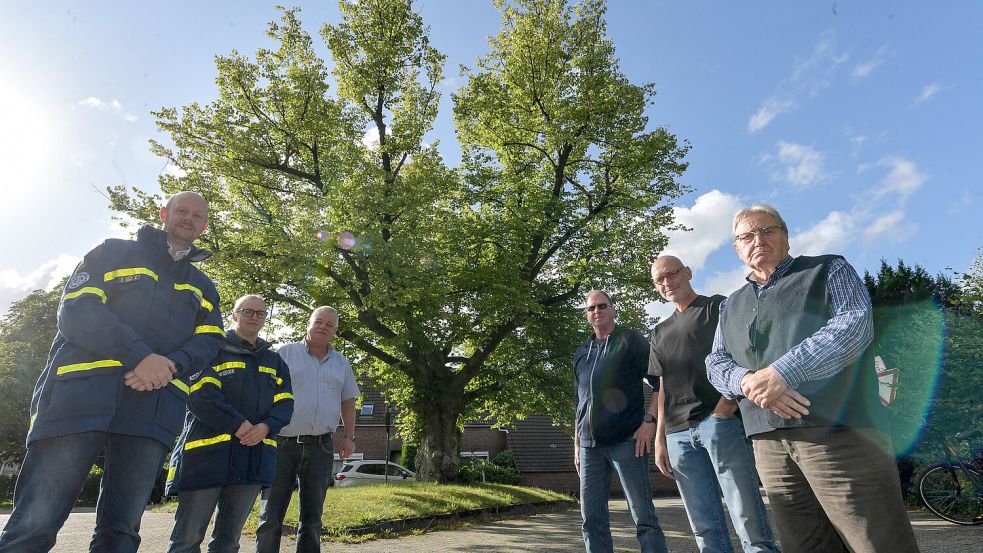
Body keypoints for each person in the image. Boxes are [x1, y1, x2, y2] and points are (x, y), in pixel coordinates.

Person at [0, 191, 225, 553]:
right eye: (181, 210)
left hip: (151, 409)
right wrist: (139, 357)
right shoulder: (112, 252)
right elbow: (77, 309)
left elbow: (210, 340)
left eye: (198, 215)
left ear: (205, 226)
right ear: (164, 213)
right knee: (34, 524)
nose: (189, 218)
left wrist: (170, 366)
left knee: (121, 532)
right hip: (79, 398)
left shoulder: (204, 287)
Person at [706, 204, 919, 553]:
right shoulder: (730, 304)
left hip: (839, 432)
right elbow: (715, 361)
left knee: (876, 540)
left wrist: (783, 372)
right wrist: (746, 381)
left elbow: (853, 324)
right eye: (746, 236)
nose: (757, 239)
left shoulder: (828, 269)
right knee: (804, 545)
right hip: (768, 442)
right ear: (736, 248)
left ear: (785, 235)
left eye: (767, 230)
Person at [649, 256, 778, 553]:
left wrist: (725, 409)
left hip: (720, 423)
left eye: (673, 274)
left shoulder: (719, 307)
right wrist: (660, 439)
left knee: (746, 515)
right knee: (704, 526)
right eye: (660, 280)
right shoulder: (658, 332)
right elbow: (662, 386)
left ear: (688, 272)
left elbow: (744, 356)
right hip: (677, 434)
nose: (668, 282)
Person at [165, 294, 294, 553]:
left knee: (228, 542)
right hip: (206, 457)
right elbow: (200, 394)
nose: (254, 317)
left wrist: (266, 427)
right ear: (234, 315)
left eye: (260, 313)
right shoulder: (211, 349)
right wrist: (238, 424)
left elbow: (285, 403)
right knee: (187, 539)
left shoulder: (275, 361)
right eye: (247, 311)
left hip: (251, 459)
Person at [255, 306, 359, 553]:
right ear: (309, 323)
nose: (323, 327)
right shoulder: (284, 354)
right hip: (281, 445)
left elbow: (349, 401)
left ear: (335, 331)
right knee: (270, 517)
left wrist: (349, 437)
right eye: (319, 321)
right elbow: (263, 391)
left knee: (312, 520)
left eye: (330, 325)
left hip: (321, 448)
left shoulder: (341, 363)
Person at [574, 290, 668, 553]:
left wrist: (650, 420)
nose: (597, 311)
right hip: (589, 447)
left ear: (613, 309)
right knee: (591, 519)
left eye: (602, 306)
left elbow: (660, 380)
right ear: (587, 315)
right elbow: (579, 401)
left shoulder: (631, 339)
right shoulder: (582, 352)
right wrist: (577, 442)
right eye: (591, 308)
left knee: (643, 516)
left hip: (627, 441)